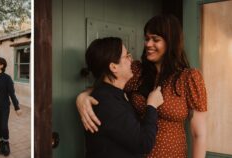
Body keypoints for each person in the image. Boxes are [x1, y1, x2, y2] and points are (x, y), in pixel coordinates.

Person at [76, 14, 207, 158]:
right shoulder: (137, 71)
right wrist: (82, 97)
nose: (148, 44)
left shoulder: (189, 78)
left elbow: (199, 134)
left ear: (171, 42)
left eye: (155, 39)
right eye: (146, 38)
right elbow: (108, 84)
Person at [81, 37, 164, 158]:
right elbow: (144, 143)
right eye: (127, 56)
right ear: (114, 67)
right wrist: (152, 106)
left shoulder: (112, 94)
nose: (131, 60)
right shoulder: (107, 102)